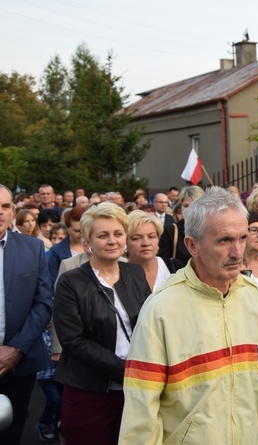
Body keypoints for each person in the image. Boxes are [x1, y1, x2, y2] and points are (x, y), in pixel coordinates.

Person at [120, 187, 258, 444]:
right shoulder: (160, 310)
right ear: (192, 245)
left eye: (242, 238)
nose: (237, 252)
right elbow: (141, 409)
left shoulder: (257, 299)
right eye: (224, 240)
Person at [53, 202, 151, 444]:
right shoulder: (70, 282)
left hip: (136, 391)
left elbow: (150, 323)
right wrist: (124, 369)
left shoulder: (136, 273)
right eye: (103, 235)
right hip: (89, 392)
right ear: (87, 242)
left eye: (118, 234)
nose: (112, 241)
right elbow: (74, 341)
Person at [0, 184, 53, 445]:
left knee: (12, 432)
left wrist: (16, 349)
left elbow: (43, 304)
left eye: (5, 206)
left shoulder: (33, 249)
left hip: (19, 364)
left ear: (13, 212)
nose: (0, 212)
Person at [157, 185, 204, 270]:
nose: (189, 209)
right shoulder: (171, 231)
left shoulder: (211, 231)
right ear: (181, 207)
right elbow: (162, 264)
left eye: (194, 205)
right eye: (186, 205)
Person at [126, 210, 170, 291]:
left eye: (151, 236)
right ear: (125, 242)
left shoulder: (174, 267)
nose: (146, 243)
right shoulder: (117, 276)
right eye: (136, 238)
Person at [47, 205, 86, 280]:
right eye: (77, 231)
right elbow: (53, 282)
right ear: (67, 228)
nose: (82, 234)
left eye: (84, 230)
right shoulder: (56, 252)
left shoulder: (97, 246)